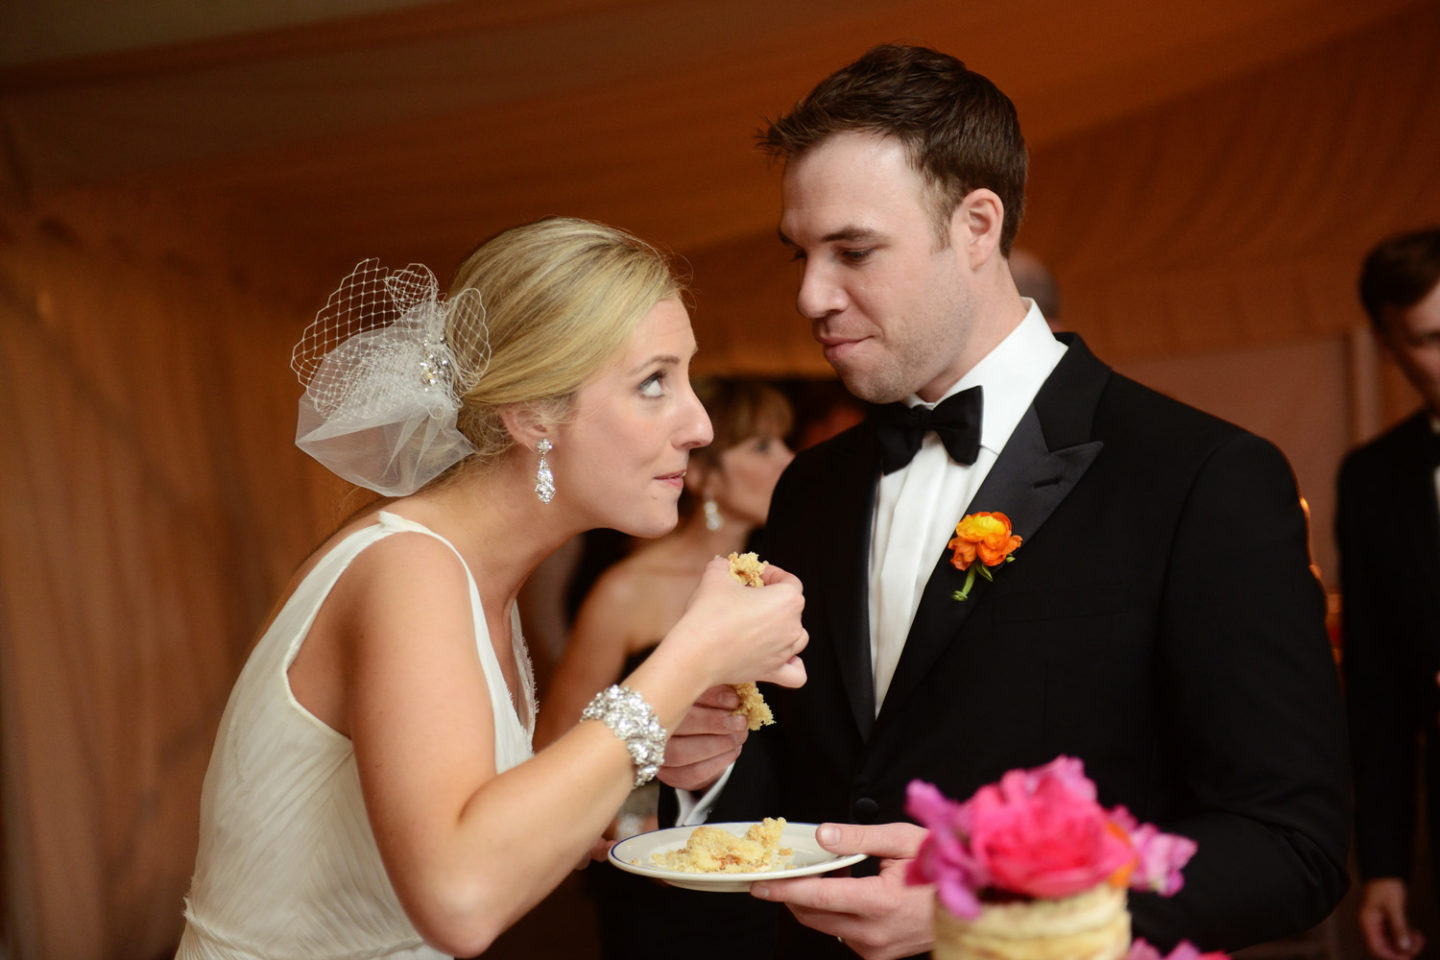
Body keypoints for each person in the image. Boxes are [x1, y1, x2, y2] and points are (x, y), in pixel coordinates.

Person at [658, 43, 1350, 959]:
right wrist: (704, 779)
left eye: (853, 251)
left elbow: (1290, 850)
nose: (811, 295)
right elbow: (808, 777)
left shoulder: (1202, 477)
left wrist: (984, 913)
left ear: (978, 226)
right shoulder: (812, 488)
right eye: (801, 255)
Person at [174, 217, 809, 960]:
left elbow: (496, 839)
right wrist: (689, 658)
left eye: (686, 380)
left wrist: (645, 754)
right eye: (653, 384)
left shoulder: (477, 584)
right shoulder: (412, 571)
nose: (698, 424)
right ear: (533, 415)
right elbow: (462, 899)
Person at [535, 377, 794, 958]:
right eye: (761, 446)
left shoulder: (780, 585)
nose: (788, 459)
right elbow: (556, 743)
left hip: (771, 862)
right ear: (700, 473)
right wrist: (633, 828)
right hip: (661, 876)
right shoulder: (627, 591)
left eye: (783, 442)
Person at [1339, 226, 1440, 960]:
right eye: (1433, 339)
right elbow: (1375, 693)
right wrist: (1384, 865)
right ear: (1388, 345)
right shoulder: (1374, 479)